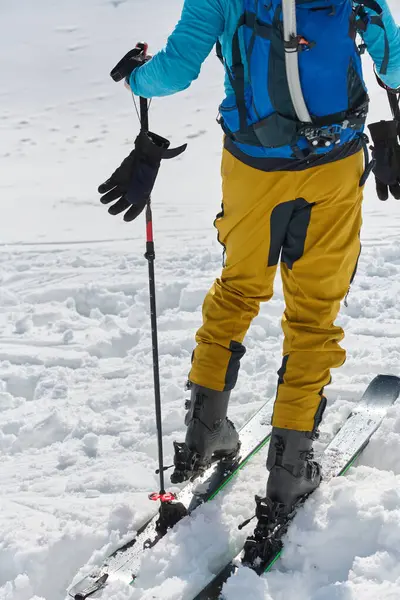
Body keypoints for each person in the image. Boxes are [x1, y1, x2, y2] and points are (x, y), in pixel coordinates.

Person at [101, 0, 400, 533]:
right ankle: (290, 471)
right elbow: (395, 64)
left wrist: (136, 78)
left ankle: (204, 435)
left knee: (238, 291)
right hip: (334, 164)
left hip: (254, 167)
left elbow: (173, 73)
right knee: (313, 314)